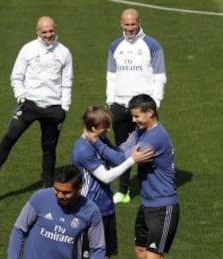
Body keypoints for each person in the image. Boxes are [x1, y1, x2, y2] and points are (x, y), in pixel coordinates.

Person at [0, 16, 73, 189]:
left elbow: (67, 81)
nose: (48, 35)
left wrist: (64, 108)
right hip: (29, 105)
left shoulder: (64, 52)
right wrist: (21, 96)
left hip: (53, 109)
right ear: (37, 31)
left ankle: (48, 187)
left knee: (49, 149)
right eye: (44, 32)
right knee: (9, 138)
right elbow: (16, 76)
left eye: (51, 31)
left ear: (55, 29)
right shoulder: (28, 49)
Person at [88, 95, 179, 259]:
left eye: (136, 116)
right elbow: (121, 150)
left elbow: (119, 160)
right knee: (140, 252)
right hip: (147, 204)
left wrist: (96, 142)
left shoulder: (154, 139)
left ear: (150, 112)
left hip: (163, 206)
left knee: (153, 256)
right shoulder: (140, 131)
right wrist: (104, 138)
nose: (133, 119)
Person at [72, 106, 154, 259]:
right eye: (104, 127)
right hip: (90, 208)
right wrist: (132, 160)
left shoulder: (99, 140)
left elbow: (118, 158)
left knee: (106, 255)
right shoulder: (82, 149)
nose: (108, 130)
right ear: (92, 128)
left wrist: (131, 150)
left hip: (107, 208)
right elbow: (106, 177)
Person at [106, 8, 167, 204]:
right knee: (122, 150)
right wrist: (110, 101)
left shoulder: (152, 45)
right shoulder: (115, 45)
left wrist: (154, 104)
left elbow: (160, 77)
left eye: (133, 24)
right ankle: (123, 191)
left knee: (150, 149)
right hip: (120, 106)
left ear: (139, 22)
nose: (130, 28)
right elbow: (111, 77)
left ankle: (153, 187)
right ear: (121, 23)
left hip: (144, 109)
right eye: (126, 24)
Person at [7, 165, 106, 259]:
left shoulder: (91, 211)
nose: (60, 196)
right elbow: (19, 229)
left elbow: (98, 248)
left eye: (66, 192)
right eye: (57, 190)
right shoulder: (40, 198)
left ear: (79, 189)